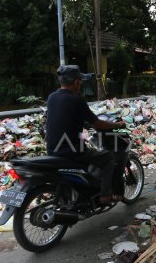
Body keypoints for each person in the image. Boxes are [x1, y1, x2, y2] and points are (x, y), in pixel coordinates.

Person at [45, 65, 126, 203]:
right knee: (108, 157)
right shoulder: (76, 99)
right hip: (72, 151)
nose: (81, 84)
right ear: (76, 82)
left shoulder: (52, 97)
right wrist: (117, 125)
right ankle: (106, 194)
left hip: (52, 149)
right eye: (80, 81)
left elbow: (65, 117)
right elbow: (97, 124)